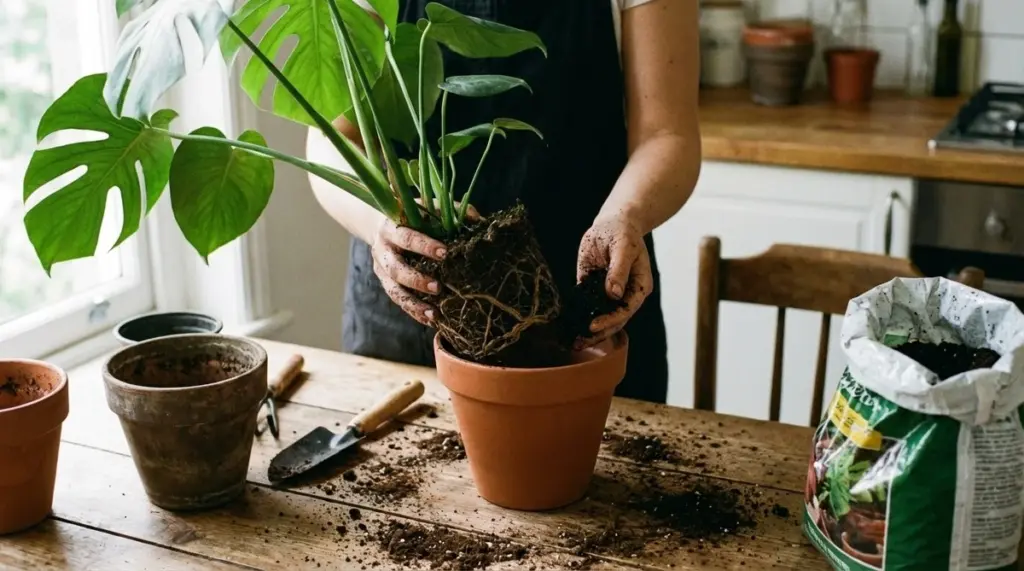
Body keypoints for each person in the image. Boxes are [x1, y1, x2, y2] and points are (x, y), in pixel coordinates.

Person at [306, 0, 700, 404]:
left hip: (585, 297)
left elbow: (667, 134)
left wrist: (626, 216)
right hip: (412, 302)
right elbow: (332, 137)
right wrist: (381, 219)